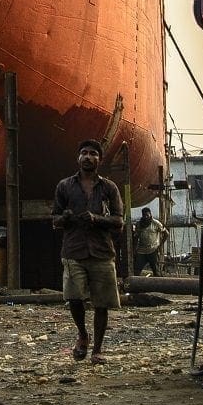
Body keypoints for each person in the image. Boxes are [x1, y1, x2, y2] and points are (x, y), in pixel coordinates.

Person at [52, 139, 124, 365]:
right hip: (74, 250)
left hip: (101, 252)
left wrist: (97, 219)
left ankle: (98, 350)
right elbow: (54, 218)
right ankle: (83, 334)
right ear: (78, 158)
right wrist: (63, 218)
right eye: (84, 153)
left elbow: (119, 221)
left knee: (102, 303)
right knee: (74, 298)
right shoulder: (64, 186)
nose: (88, 157)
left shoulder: (109, 188)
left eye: (93, 153)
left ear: (99, 160)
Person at [134, 208, 168, 277]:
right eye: (144, 215)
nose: (146, 217)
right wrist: (134, 249)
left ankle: (158, 286)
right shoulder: (139, 224)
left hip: (153, 250)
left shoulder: (156, 223)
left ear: (150, 214)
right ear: (142, 215)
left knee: (157, 272)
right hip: (141, 251)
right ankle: (136, 286)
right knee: (136, 271)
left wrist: (160, 246)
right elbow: (136, 237)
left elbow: (166, 233)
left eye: (147, 215)